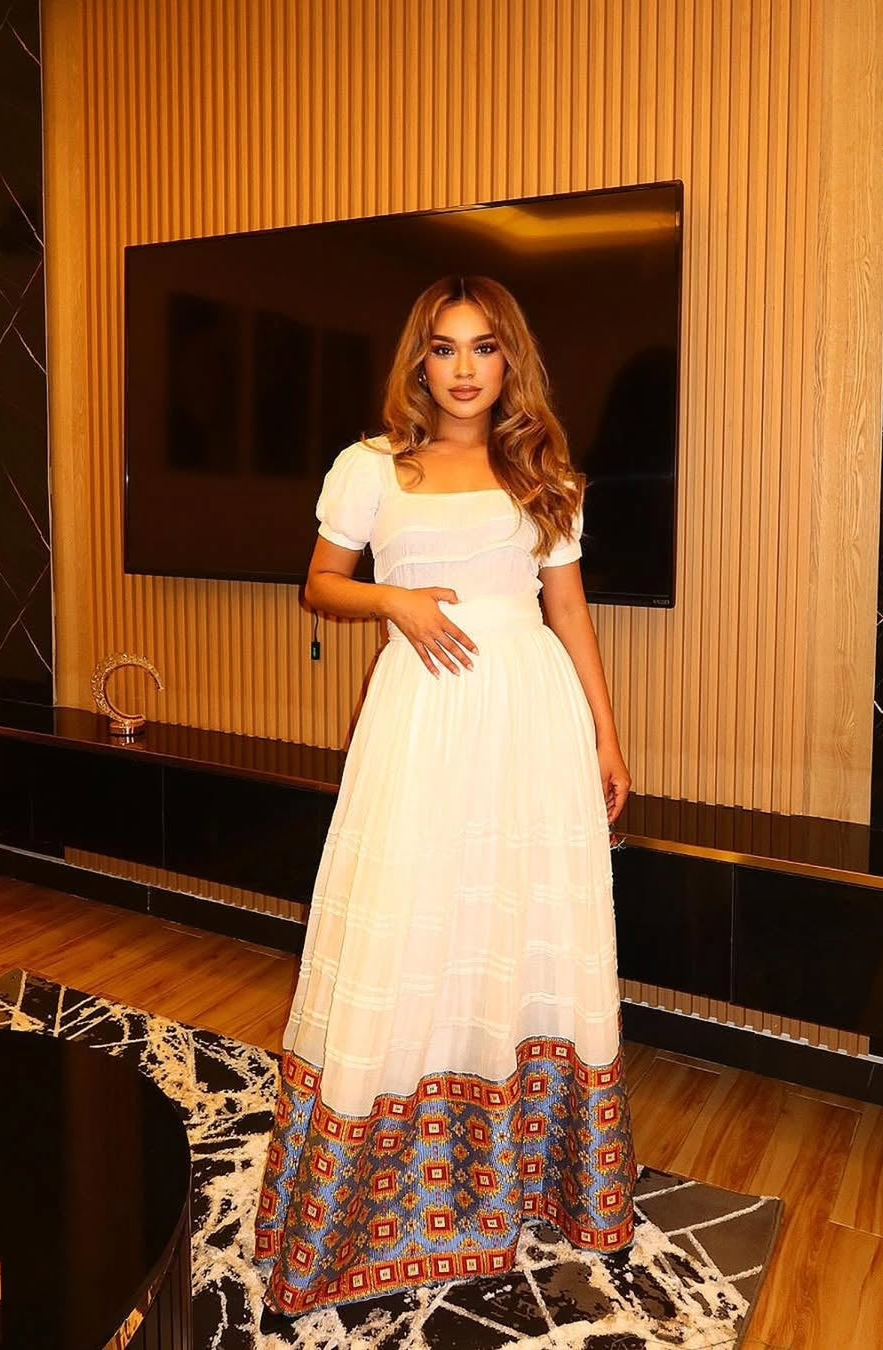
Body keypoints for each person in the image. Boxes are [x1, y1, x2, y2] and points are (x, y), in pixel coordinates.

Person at [253, 275, 636, 1324]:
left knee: (517, 926)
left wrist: (605, 732)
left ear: (512, 361)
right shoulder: (371, 466)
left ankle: (524, 1179)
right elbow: (320, 581)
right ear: (417, 363)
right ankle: (385, 1195)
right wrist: (394, 600)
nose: (464, 368)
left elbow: (566, 605)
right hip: (423, 720)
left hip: (531, 722)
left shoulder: (541, 470)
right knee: (414, 928)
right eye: (443, 348)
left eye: (484, 348)